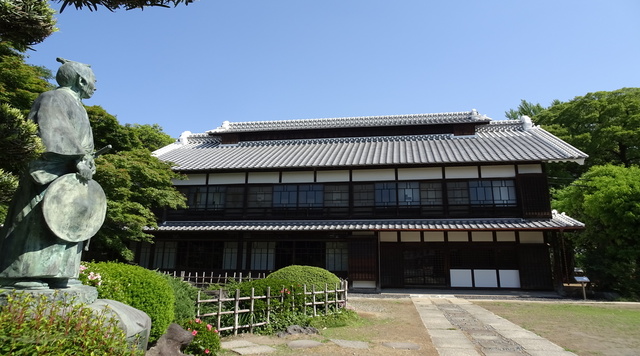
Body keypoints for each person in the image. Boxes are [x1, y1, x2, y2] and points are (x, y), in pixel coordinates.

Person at [0, 58, 98, 289]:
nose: (96, 86)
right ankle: (25, 274)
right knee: (39, 219)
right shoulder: (52, 98)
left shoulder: (78, 106)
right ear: (82, 80)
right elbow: (54, 134)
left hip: (74, 176)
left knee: (71, 221)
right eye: (94, 81)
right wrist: (78, 158)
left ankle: (61, 273)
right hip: (50, 172)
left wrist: (88, 162)